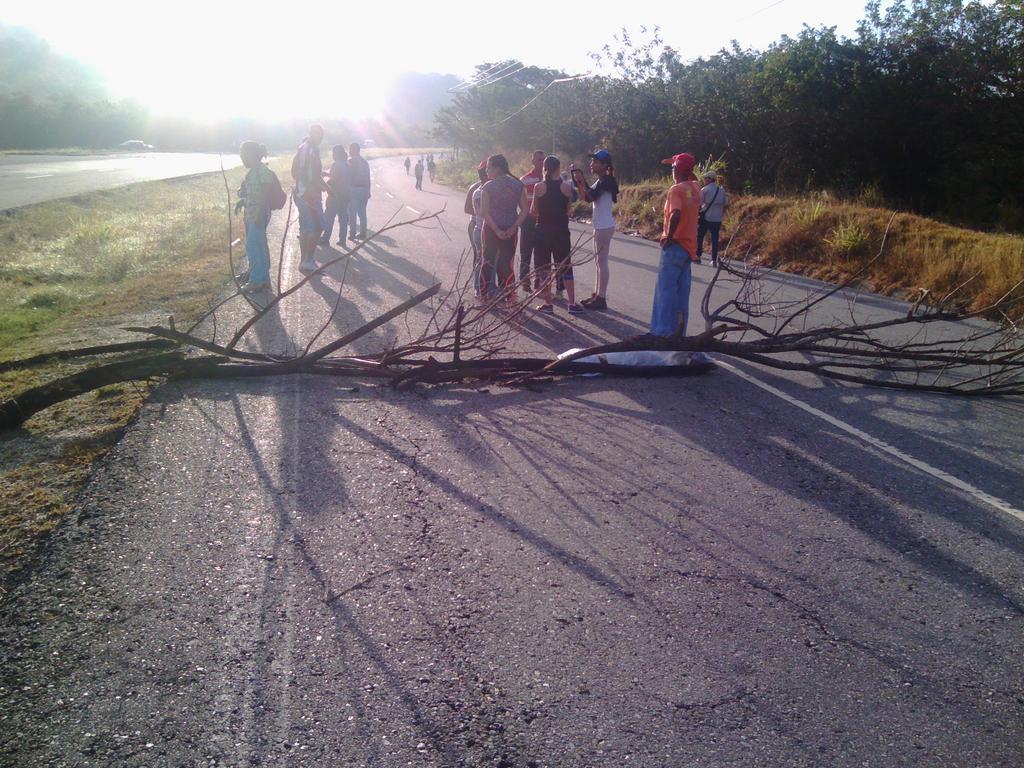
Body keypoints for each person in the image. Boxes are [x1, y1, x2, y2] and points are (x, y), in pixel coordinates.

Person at [646, 152, 701, 337]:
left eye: (673, 167)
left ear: (677, 169)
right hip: (688, 249)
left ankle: (661, 333)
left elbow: (675, 214)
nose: (671, 171)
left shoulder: (676, 190)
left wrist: (669, 237)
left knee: (665, 291)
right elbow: (693, 180)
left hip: (675, 245)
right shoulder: (695, 188)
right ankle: (679, 333)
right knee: (681, 293)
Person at [570, 149, 619, 310]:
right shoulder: (601, 180)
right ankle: (597, 294)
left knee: (602, 262)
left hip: (604, 226)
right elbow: (586, 197)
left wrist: (582, 181)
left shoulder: (607, 180)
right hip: (601, 225)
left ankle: (602, 297)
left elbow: (593, 197)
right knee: (599, 262)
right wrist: (579, 182)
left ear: (605, 165)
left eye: (596, 162)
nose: (592, 164)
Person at [532, 155, 581, 314]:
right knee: (566, 267)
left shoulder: (539, 187)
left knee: (544, 268)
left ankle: (548, 303)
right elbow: (568, 210)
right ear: (558, 168)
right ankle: (572, 304)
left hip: (543, 232)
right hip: (561, 231)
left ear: (545, 168)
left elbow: (534, 211)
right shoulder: (567, 187)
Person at [478, 154, 528, 303]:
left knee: (487, 261)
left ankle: (484, 295)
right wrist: (514, 227)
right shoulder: (518, 184)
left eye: (489, 168)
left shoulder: (488, 186)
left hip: (491, 230)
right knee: (507, 263)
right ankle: (509, 297)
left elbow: (484, 212)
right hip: (510, 229)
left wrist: (496, 230)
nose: (486, 171)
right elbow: (525, 210)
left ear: (497, 168)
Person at [234, 140, 274, 292]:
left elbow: (265, 192)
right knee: (258, 244)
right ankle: (262, 278)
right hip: (253, 213)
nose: (242, 158)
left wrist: (259, 214)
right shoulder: (252, 172)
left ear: (251, 155)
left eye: (243, 155)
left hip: (258, 214)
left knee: (253, 245)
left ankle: (257, 280)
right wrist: (242, 199)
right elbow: (252, 192)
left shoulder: (261, 170)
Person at [291, 124, 326, 274]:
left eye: (321, 135)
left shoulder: (308, 148)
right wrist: (310, 191)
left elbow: (312, 174)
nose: (320, 137)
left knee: (306, 227)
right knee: (317, 226)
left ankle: (305, 261)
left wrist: (327, 188)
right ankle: (308, 259)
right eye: (317, 134)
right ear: (311, 133)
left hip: (305, 193)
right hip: (308, 195)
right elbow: (299, 172)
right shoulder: (307, 149)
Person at [518, 150, 545, 292]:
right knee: (526, 252)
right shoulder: (524, 180)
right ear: (533, 161)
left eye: (543, 159)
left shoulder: (549, 180)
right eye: (539, 159)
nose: (541, 162)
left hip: (543, 221)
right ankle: (524, 280)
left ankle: (539, 282)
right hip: (528, 220)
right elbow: (519, 202)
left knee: (541, 254)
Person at [464, 161, 488, 295]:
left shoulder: (494, 187)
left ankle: (487, 285)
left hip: (488, 225)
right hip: (475, 224)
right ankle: (477, 286)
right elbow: (467, 209)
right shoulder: (475, 188)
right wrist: (480, 212)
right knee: (478, 255)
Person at [321, 144, 351, 247]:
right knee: (343, 217)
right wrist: (327, 174)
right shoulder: (346, 164)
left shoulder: (336, 164)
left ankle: (325, 238)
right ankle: (342, 239)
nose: (332, 155)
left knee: (329, 217)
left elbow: (334, 179)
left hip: (335, 194)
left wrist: (324, 185)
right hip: (346, 194)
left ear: (336, 153)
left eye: (333, 153)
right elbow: (340, 177)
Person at [697, 170, 728, 266]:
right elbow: (726, 203)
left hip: (705, 217)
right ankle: (714, 260)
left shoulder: (704, 190)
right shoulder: (722, 190)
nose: (704, 180)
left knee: (700, 236)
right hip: (717, 219)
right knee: (714, 239)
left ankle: (698, 256)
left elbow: (699, 203)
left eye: (705, 178)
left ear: (710, 179)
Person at [347, 142, 371, 241]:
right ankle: (363, 233)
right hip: (365, 189)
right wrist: (369, 191)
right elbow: (368, 178)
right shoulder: (365, 162)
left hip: (354, 189)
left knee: (352, 213)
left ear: (353, 150)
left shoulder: (351, 161)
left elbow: (348, 176)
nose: (349, 151)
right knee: (362, 213)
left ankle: (352, 233)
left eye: (350, 149)